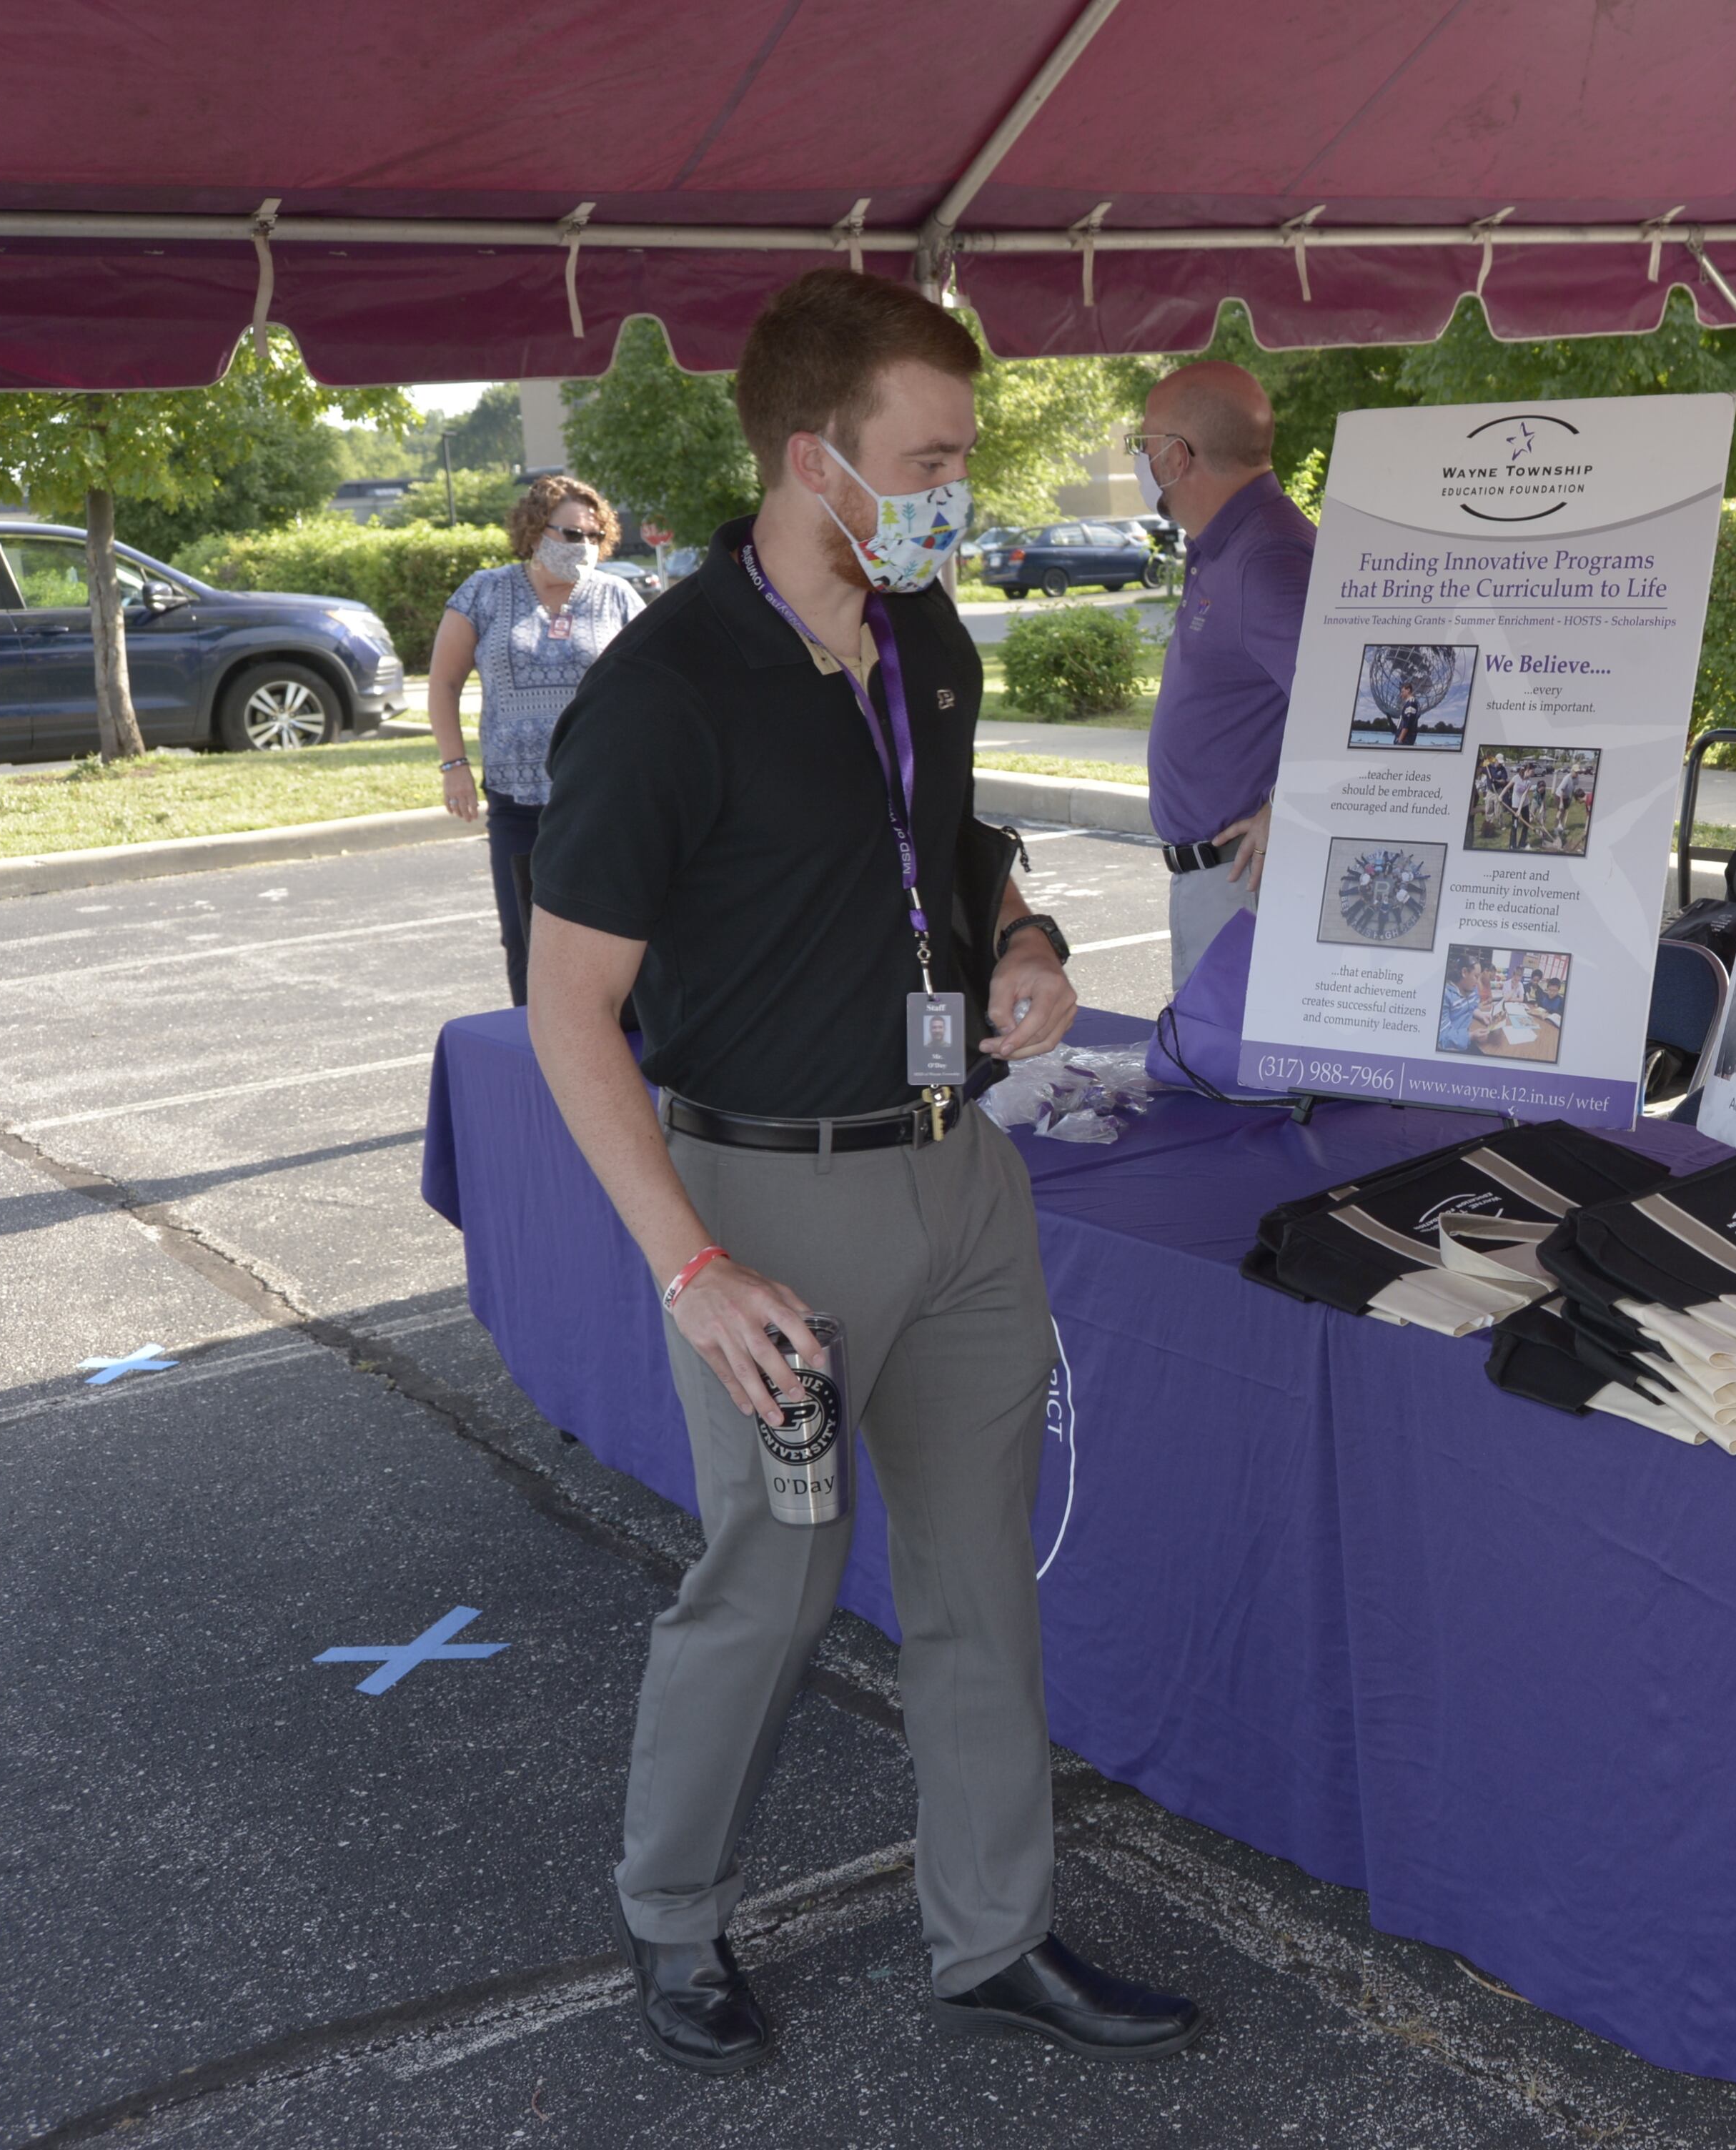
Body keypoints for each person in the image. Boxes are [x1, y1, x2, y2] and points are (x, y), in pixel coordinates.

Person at [522, 268, 1198, 2074]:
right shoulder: (668, 691)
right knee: (774, 1582)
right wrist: (692, 1267)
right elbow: (567, 1008)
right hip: (772, 1212)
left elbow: (949, 835)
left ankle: (997, 1933)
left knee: (982, 1579)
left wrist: (1024, 930)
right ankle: (670, 1910)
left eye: (963, 458)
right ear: (813, 459)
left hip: (958, 1175)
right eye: (931, 461)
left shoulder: (921, 629)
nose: (957, 492)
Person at [1134, 361, 1316, 984]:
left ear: (1176, 457)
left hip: (1243, 882)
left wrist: (1286, 807)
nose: (1140, 459)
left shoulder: (1266, 556)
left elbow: (1351, 711)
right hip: (1224, 879)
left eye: (1143, 443)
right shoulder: (1229, 542)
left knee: (1229, 1052)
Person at [430, 475, 642, 1005]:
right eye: (571, 534)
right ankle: (532, 1046)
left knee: (610, 935)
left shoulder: (616, 596)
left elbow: (655, 685)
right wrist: (454, 765)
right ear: (534, 530)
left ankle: (610, 1039)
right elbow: (444, 683)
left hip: (601, 799)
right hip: (517, 801)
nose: (584, 547)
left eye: (594, 536)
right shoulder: (484, 592)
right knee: (524, 936)